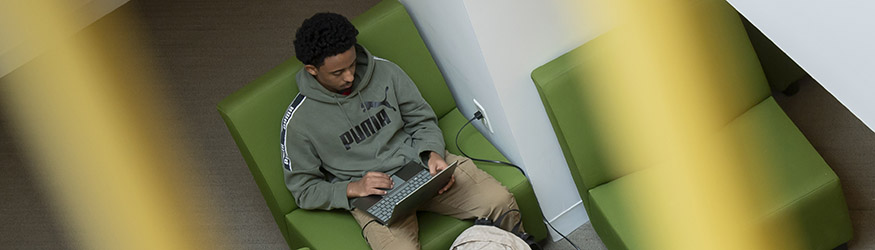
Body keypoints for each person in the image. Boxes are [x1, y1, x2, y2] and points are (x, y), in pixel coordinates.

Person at [281, 12, 522, 250]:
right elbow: (303, 190)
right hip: (374, 196)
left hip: (421, 166)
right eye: (337, 72)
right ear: (312, 70)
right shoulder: (298, 122)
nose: (350, 76)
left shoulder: (386, 72)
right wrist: (353, 188)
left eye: (352, 64)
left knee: (500, 202)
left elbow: (422, 120)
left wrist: (433, 153)